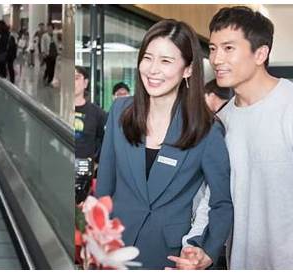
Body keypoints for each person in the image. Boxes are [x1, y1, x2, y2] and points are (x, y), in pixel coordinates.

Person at [95, 19, 233, 269]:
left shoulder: (205, 130)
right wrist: (96, 238)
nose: (152, 70)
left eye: (166, 61)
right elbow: (105, 185)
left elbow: (221, 202)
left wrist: (206, 251)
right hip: (114, 245)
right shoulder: (119, 112)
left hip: (168, 254)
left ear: (188, 70)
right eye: (148, 58)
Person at [202, 6, 293, 270]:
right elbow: (212, 196)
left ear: (260, 53)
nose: (216, 59)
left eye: (228, 48)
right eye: (213, 48)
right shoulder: (222, 120)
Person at [74, 66, 107, 163]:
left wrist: (96, 163)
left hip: (85, 171)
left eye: (76, 78)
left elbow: (106, 141)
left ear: (85, 83)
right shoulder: (58, 109)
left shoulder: (97, 113)